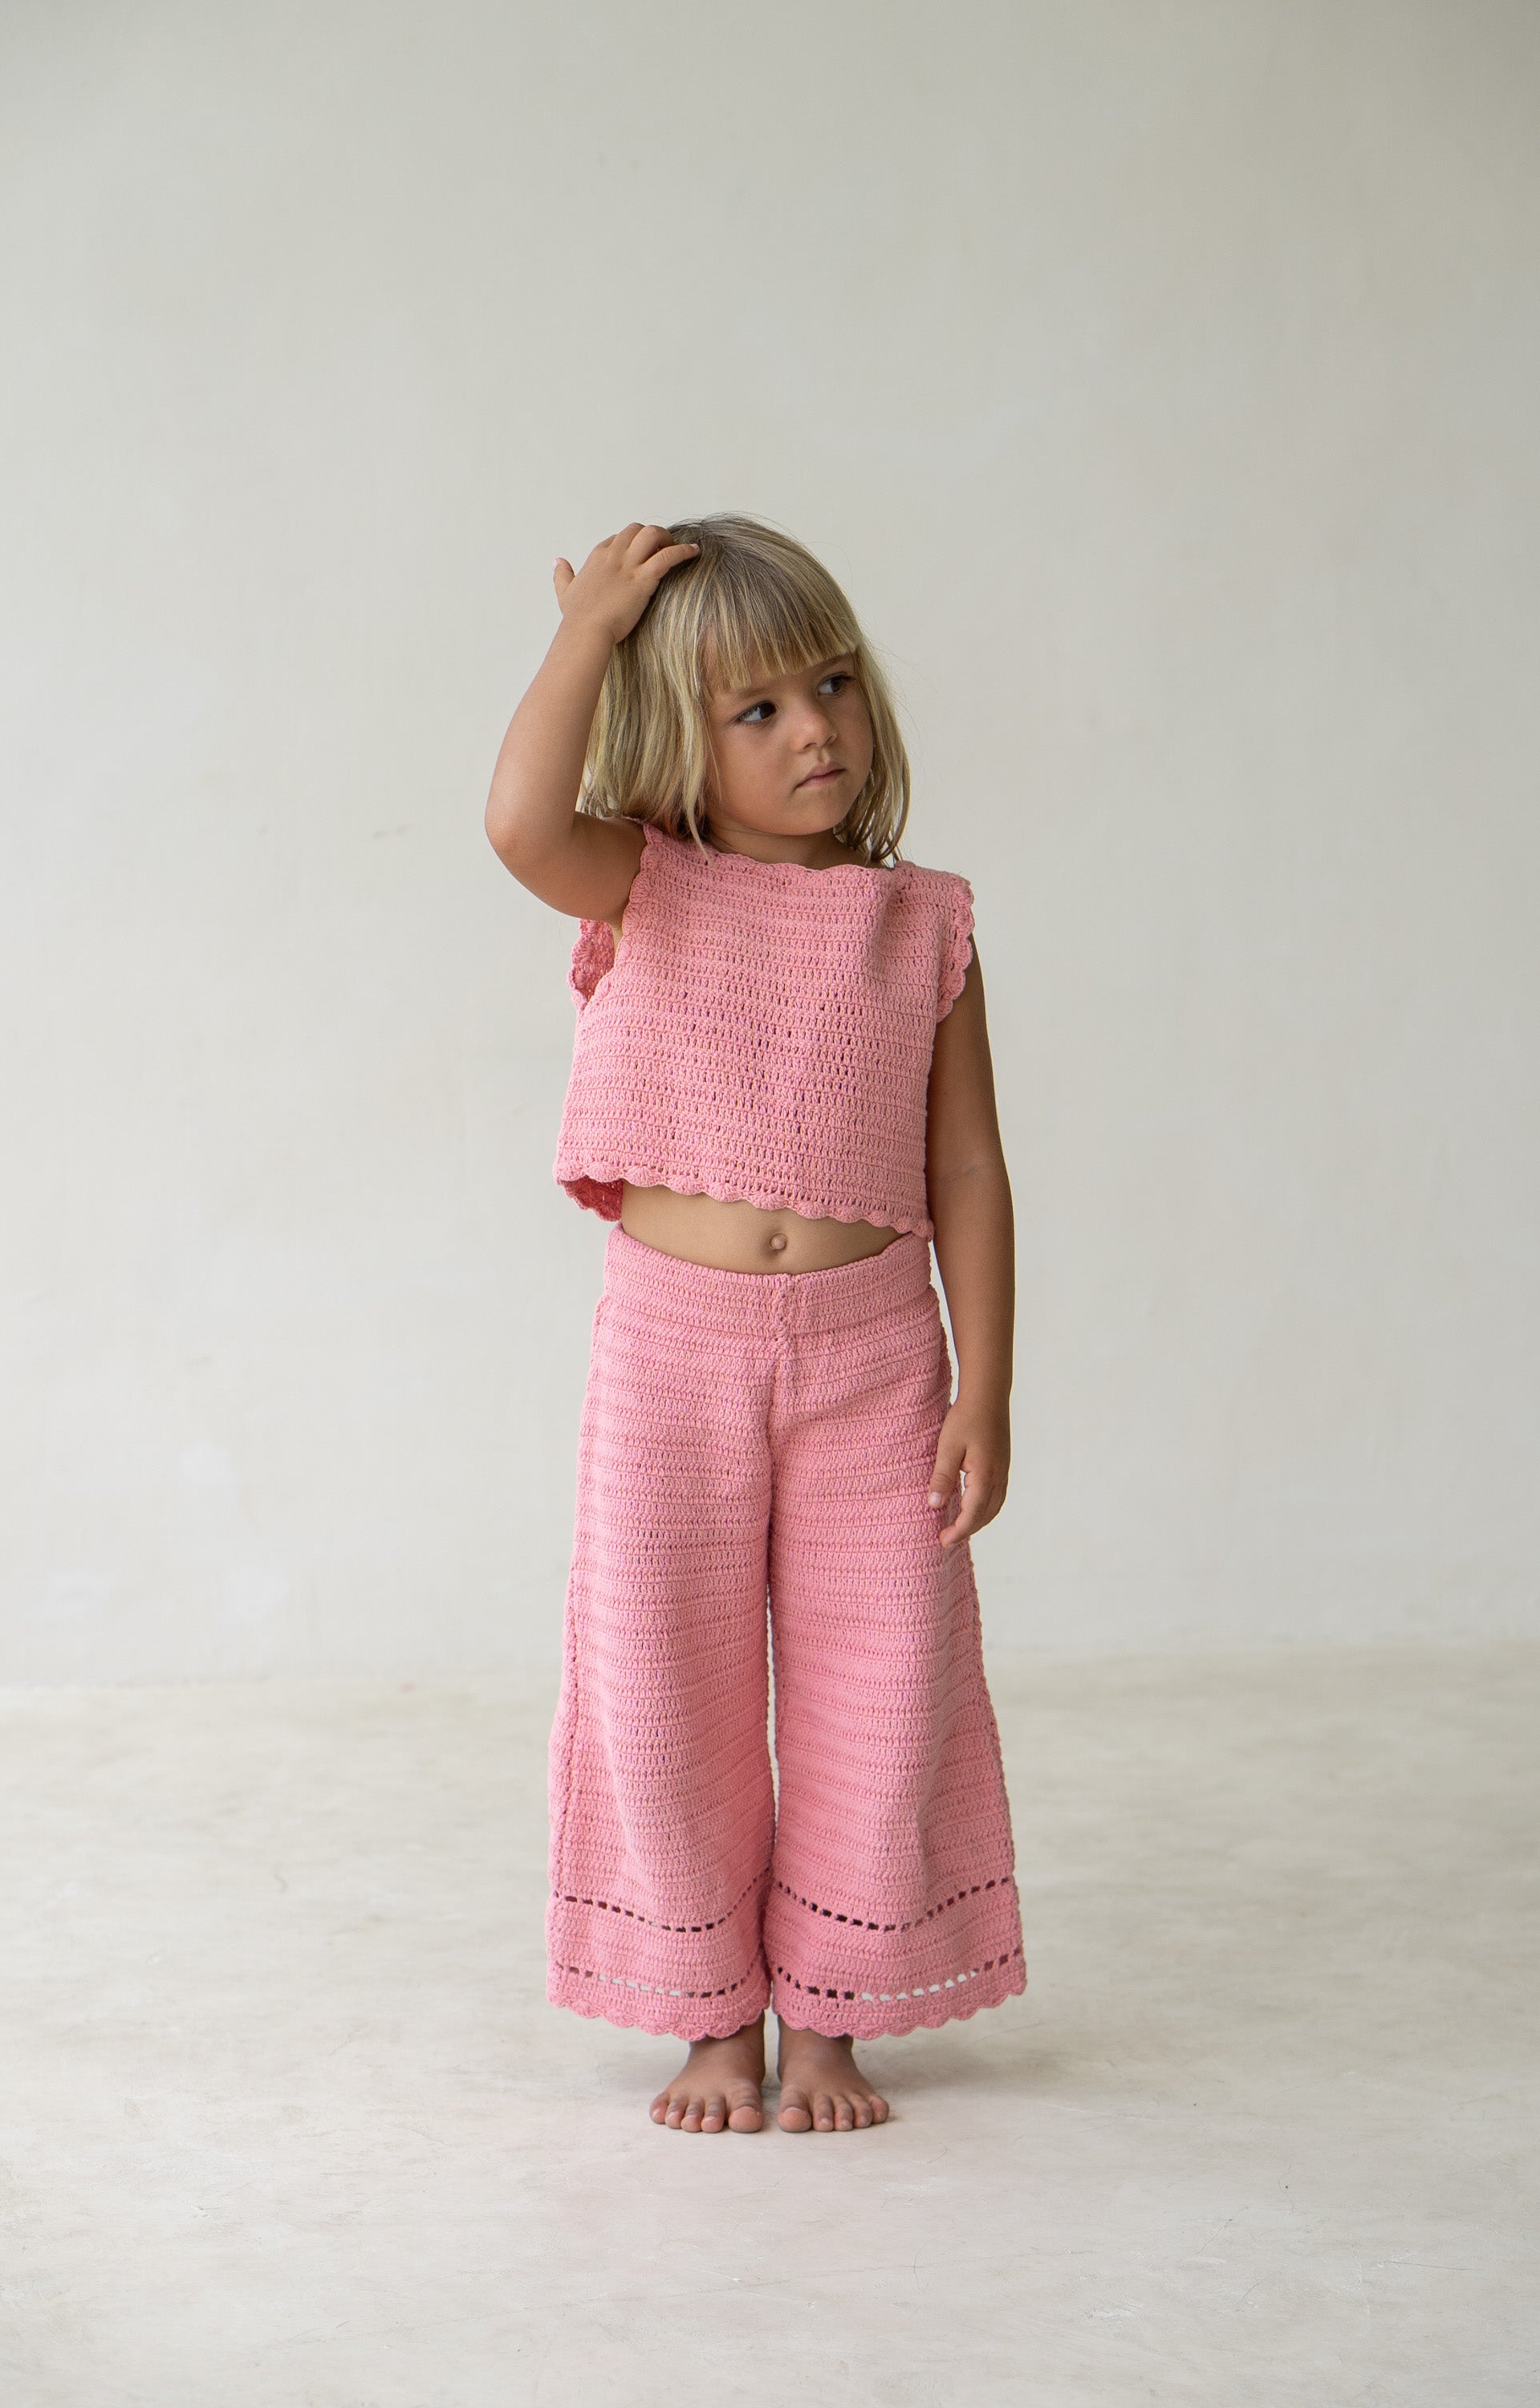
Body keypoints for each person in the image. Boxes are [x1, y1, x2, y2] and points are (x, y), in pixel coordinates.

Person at [485, 516, 1026, 2135]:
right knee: (664, 1682)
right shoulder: (640, 882)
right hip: (675, 1357)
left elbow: (970, 1166)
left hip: (875, 1362)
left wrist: (983, 1390)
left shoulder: (921, 920)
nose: (819, 733)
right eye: (760, 710)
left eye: (835, 687)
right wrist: (589, 632)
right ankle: (706, 2012)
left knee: (888, 1676)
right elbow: (517, 818)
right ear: (673, 738)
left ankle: (837, 2019)